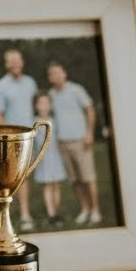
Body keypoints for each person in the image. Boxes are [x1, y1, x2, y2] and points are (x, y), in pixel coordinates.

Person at [46, 60, 102, 225]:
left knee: (88, 178)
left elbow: (90, 110)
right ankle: (85, 209)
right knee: (75, 180)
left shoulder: (77, 90)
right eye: (52, 74)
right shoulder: (51, 95)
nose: (56, 76)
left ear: (64, 73)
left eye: (58, 72)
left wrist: (89, 133)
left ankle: (95, 211)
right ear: (50, 78)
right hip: (62, 143)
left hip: (81, 141)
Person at [0, 47, 38, 231]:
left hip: (31, 137)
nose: (15, 64)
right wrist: (4, 141)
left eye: (17, 60)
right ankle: (21, 216)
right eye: (11, 61)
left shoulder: (31, 83)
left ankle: (22, 214)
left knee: (25, 176)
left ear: (22, 62)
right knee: (14, 179)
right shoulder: (0, 86)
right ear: (6, 65)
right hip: (12, 141)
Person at [31, 90, 67, 226]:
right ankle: (51, 214)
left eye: (46, 103)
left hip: (55, 157)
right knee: (47, 186)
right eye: (40, 103)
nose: (44, 106)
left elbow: (59, 140)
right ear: (36, 106)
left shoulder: (54, 121)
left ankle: (56, 212)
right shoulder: (35, 122)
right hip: (43, 159)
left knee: (56, 185)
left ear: (51, 105)